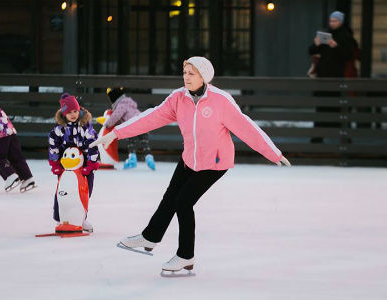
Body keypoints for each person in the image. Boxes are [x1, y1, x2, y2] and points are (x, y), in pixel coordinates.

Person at [90, 56, 291, 274]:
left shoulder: (221, 101)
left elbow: (246, 128)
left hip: (214, 162)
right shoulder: (178, 98)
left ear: (204, 76)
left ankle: (186, 256)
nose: (186, 77)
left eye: (191, 73)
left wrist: (273, 153)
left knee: (183, 202)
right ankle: (150, 236)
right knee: (170, 197)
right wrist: (116, 133)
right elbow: (152, 117)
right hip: (190, 158)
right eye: (184, 73)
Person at [48, 93, 99, 232]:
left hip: (84, 167)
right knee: (64, 191)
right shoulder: (59, 129)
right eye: (69, 112)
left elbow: (93, 144)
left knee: (84, 192)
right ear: (64, 113)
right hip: (66, 168)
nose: (73, 114)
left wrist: (91, 164)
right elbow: (53, 145)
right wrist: (55, 164)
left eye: (75, 111)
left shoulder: (85, 127)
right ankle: (61, 217)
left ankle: (81, 218)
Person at [308, 11, 354, 143]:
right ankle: (318, 137)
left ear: (341, 22)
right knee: (322, 107)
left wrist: (336, 46)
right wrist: (316, 44)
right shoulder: (326, 34)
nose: (332, 23)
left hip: (337, 78)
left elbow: (348, 55)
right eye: (331, 21)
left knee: (338, 108)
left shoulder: (345, 35)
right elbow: (311, 51)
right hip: (323, 77)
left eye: (335, 21)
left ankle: (344, 137)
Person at [103, 87, 156, 170]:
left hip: (132, 125)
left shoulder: (121, 104)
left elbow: (116, 116)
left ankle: (132, 159)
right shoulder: (129, 103)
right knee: (144, 143)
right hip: (143, 123)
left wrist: (107, 124)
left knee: (131, 142)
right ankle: (149, 158)